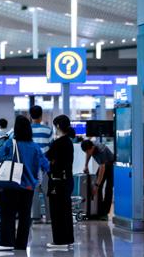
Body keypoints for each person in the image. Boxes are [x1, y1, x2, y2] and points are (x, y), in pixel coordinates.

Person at [0, 115, 50, 251]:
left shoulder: (9, 144)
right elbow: (46, 165)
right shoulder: (35, 147)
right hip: (29, 186)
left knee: (8, 213)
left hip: (11, 184)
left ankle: (7, 243)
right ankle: (21, 244)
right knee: (25, 216)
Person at [46, 115, 76, 249]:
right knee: (65, 211)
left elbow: (50, 161)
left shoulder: (58, 143)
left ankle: (59, 241)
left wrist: (50, 166)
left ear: (58, 126)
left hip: (57, 182)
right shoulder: (68, 142)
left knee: (57, 212)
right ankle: (67, 238)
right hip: (67, 180)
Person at [30, 105, 54, 223]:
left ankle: (36, 217)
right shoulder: (48, 130)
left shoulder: (27, 130)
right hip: (45, 165)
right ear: (41, 115)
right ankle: (49, 217)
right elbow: (51, 148)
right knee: (47, 191)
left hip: (31, 166)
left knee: (34, 192)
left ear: (30, 115)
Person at [81, 140, 115, 218]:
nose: (87, 153)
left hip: (111, 165)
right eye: (85, 152)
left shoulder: (101, 151)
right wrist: (86, 165)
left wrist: (97, 185)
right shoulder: (90, 146)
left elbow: (102, 168)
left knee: (108, 188)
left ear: (92, 148)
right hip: (103, 165)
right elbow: (88, 154)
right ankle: (98, 209)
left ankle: (105, 213)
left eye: (88, 151)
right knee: (97, 187)